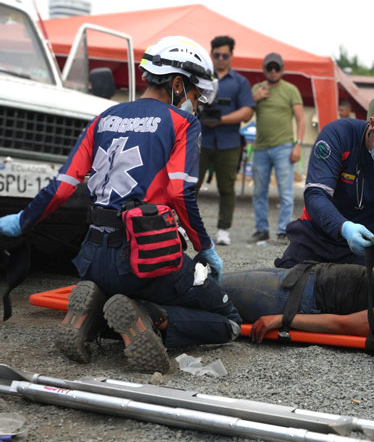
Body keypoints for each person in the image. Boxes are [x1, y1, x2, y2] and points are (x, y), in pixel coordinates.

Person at [0, 36, 242, 373]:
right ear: (176, 84)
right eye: (194, 94)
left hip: (91, 258)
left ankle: (96, 312)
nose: (195, 104)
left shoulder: (104, 118)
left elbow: (61, 188)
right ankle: (148, 317)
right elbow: (179, 194)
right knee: (228, 320)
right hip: (147, 258)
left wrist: (20, 223)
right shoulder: (183, 123)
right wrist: (205, 247)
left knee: (126, 287)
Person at [274, 85, 374, 270]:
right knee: (287, 287)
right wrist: (344, 228)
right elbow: (315, 195)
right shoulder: (339, 136)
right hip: (318, 236)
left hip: (372, 244)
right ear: (372, 123)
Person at [220, 264, 374, 342]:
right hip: (303, 275)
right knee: (209, 280)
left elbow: (343, 325)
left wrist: (283, 318)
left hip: (296, 300)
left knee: (204, 287)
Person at [197, 35, 256, 247]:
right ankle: (184, 227)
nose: (221, 58)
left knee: (227, 187)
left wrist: (220, 120)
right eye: (217, 55)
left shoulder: (240, 82)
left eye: (225, 55)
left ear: (231, 55)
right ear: (211, 54)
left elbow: (247, 112)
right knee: (190, 184)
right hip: (200, 139)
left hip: (229, 142)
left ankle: (223, 229)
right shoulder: (201, 78)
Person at [250, 52, 305, 244]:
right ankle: (262, 230)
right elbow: (245, 114)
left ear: (282, 69)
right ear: (264, 69)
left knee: (286, 192)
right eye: (269, 68)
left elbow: (300, 120)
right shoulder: (256, 89)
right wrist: (254, 98)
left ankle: (283, 231)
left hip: (284, 147)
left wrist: (298, 145)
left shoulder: (291, 90)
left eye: (277, 68)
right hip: (260, 147)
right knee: (259, 191)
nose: (273, 71)